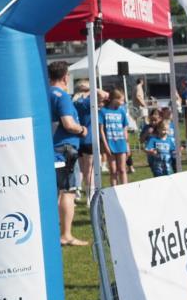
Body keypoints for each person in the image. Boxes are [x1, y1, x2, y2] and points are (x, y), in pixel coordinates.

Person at [48, 61, 89, 247]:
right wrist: (82, 130)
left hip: (50, 149)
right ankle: (66, 235)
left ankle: (53, 232)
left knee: (54, 192)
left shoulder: (44, 94)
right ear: (65, 77)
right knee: (68, 191)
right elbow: (68, 123)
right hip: (64, 150)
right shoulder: (62, 96)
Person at [99, 88, 130, 186]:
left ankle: (125, 190)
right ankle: (114, 190)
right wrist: (106, 146)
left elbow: (125, 128)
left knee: (122, 169)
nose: (122, 102)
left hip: (121, 143)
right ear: (114, 99)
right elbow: (101, 130)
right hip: (110, 144)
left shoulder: (122, 111)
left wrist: (127, 145)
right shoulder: (103, 111)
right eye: (121, 100)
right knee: (113, 170)